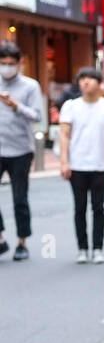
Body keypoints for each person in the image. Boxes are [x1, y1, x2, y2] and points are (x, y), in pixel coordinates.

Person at [59, 68, 104, 264]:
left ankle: (97, 248)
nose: (85, 82)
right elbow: (64, 135)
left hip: (100, 165)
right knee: (79, 208)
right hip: (77, 165)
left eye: (90, 79)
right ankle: (82, 248)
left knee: (98, 208)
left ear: (99, 82)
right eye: (82, 79)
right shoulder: (70, 106)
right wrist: (64, 162)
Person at [0, 41, 44, 261]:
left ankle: (22, 242)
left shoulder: (30, 86)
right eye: (3, 63)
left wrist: (16, 105)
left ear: (19, 63)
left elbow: (37, 116)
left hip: (20, 150)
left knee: (19, 198)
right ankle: (0, 239)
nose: (6, 67)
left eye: (10, 63)